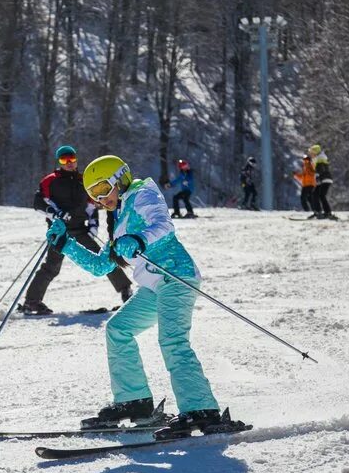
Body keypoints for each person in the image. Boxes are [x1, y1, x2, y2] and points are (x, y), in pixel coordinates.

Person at [45, 154, 230, 438]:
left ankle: (201, 409)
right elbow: (100, 265)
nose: (100, 199)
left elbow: (163, 225)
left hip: (175, 276)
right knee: (118, 329)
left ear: (120, 179)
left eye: (103, 189)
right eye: (93, 195)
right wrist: (65, 244)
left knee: (172, 340)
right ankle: (135, 402)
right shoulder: (119, 221)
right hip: (155, 286)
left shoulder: (143, 193)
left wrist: (140, 239)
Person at [22, 145, 133, 315]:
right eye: (64, 160)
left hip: (81, 229)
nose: (69, 163)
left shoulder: (84, 180)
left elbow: (92, 205)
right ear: (59, 162)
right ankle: (32, 302)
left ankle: (126, 291)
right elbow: (38, 203)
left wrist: (93, 226)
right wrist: (54, 213)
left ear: (76, 160)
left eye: (71, 159)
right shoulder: (50, 180)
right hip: (60, 231)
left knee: (106, 258)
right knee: (51, 266)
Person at [309, 144, 334, 219]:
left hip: (325, 179)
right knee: (315, 194)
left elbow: (321, 170)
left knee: (321, 195)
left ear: (316, 153)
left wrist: (318, 177)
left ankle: (327, 212)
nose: (311, 155)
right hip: (323, 180)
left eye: (312, 153)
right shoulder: (318, 158)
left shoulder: (320, 159)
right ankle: (318, 212)